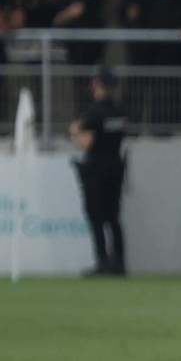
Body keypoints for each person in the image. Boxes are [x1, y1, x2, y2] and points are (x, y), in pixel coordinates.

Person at [68, 69, 129, 277]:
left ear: (97, 84)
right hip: (116, 166)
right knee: (113, 217)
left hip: (96, 169)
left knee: (96, 217)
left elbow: (86, 145)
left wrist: (75, 132)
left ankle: (103, 262)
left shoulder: (94, 112)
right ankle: (119, 263)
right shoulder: (118, 110)